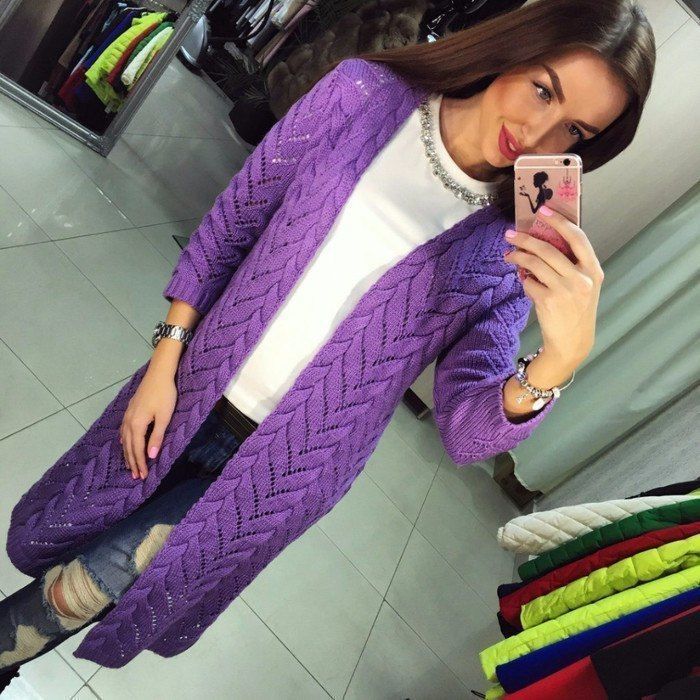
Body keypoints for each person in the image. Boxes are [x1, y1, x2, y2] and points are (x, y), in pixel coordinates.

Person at [1, 0, 655, 688]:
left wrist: (557, 362)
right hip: (188, 390)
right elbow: (232, 226)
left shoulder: (514, 248)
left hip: (282, 472)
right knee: (78, 529)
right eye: (543, 90)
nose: (540, 133)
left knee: (89, 586)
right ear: (510, 50)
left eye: (575, 129)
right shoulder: (363, 95)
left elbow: (466, 431)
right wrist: (166, 359)